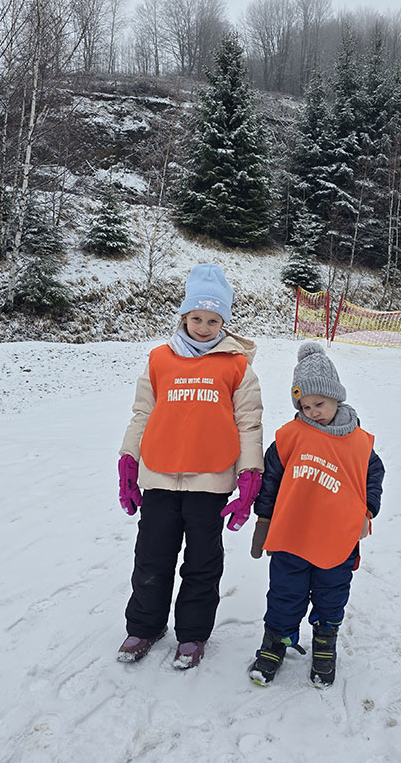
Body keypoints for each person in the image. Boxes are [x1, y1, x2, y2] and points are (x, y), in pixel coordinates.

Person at [116, 263, 263, 669]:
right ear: (184, 316)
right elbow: (143, 413)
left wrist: (250, 474)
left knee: (202, 564)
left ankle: (193, 635)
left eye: (213, 320)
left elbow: (249, 422)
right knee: (152, 558)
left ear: (224, 322)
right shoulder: (159, 359)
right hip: (159, 478)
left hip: (210, 482)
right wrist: (129, 460)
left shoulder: (236, 365)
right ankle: (144, 626)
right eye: (197, 318)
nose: (203, 327)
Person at [248, 341, 384, 687]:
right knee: (285, 592)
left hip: (337, 538)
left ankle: (325, 642)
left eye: (319, 404)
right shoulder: (290, 436)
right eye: (305, 406)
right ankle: (276, 641)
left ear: (336, 396)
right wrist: (264, 519)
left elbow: (373, 475)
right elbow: (271, 479)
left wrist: (368, 508)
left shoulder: (359, 441)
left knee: (331, 593)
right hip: (292, 535)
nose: (312, 412)